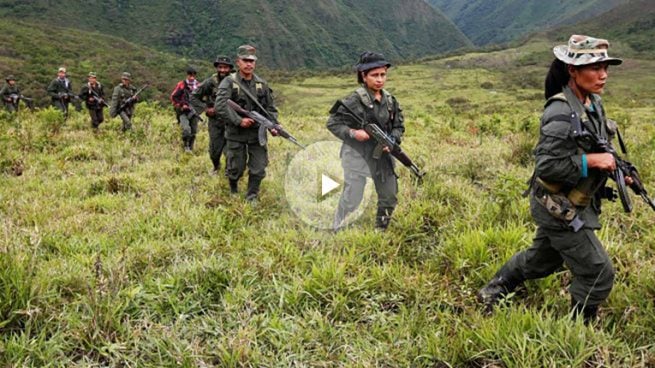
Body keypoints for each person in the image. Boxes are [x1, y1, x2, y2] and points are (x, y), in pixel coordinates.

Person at [477, 35, 625, 324]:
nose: (603, 74)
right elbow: (547, 167)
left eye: (605, 67)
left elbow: (598, 146)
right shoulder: (559, 112)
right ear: (573, 70)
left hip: (573, 203)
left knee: (541, 260)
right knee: (597, 270)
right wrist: (592, 161)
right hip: (557, 207)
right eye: (595, 67)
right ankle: (577, 329)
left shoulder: (592, 103)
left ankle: (494, 288)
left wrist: (617, 169)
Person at [327, 52, 405, 231]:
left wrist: (392, 140)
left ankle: (380, 231)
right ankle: (337, 224)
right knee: (353, 199)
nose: (379, 79)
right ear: (364, 76)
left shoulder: (390, 101)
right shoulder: (353, 100)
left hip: (382, 156)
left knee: (389, 197)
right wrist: (353, 133)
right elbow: (333, 123)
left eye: (383, 75)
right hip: (357, 155)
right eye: (374, 75)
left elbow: (398, 127)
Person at [215, 45, 279, 201]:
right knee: (236, 167)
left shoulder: (261, 84)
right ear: (238, 62)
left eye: (252, 61)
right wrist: (239, 120)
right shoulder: (230, 82)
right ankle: (233, 187)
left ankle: (252, 196)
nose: (249, 64)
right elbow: (220, 105)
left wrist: (274, 125)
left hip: (257, 134)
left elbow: (270, 108)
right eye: (245, 61)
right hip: (236, 133)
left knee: (258, 168)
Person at [191, 56, 234, 172]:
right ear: (217, 68)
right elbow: (194, 96)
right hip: (215, 121)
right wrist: (206, 108)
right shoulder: (211, 82)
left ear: (230, 68)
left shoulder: (236, 81)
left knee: (231, 149)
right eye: (220, 67)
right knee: (215, 150)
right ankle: (216, 166)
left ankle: (228, 171)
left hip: (232, 121)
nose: (223, 70)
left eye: (226, 67)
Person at [171, 67, 201, 153]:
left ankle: (190, 148)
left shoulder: (198, 86)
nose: (191, 78)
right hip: (183, 112)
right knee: (186, 129)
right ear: (187, 75)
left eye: (193, 75)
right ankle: (185, 146)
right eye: (190, 75)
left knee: (194, 131)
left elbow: (202, 99)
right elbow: (173, 97)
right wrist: (181, 105)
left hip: (194, 112)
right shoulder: (181, 84)